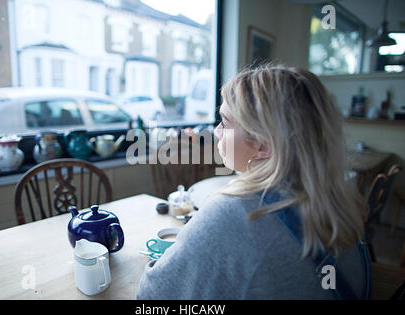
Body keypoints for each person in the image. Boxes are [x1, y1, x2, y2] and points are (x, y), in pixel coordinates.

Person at [136, 64, 371, 300]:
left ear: (263, 145)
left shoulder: (235, 213)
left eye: (225, 122)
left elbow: (152, 296)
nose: (217, 131)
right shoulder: (336, 202)